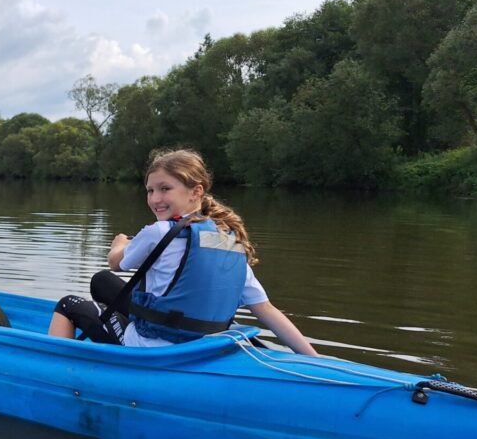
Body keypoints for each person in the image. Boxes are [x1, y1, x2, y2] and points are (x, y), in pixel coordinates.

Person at [48, 149, 317, 355]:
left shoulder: (157, 232)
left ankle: (54, 367)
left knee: (68, 304)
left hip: (153, 349)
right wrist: (313, 357)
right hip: (203, 346)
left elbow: (116, 263)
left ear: (195, 191)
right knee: (102, 282)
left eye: (165, 189)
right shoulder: (229, 241)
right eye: (150, 190)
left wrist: (119, 242)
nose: (155, 199)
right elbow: (265, 309)